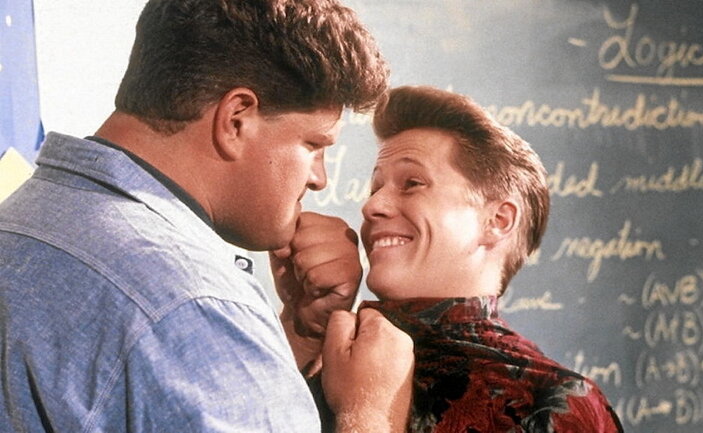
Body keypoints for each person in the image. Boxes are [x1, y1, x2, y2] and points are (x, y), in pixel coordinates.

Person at [0, 1, 413, 432]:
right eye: (314, 145)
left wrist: (297, 335)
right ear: (236, 120)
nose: (319, 179)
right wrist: (370, 411)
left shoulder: (20, 224)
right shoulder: (197, 307)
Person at [349, 85, 623, 432]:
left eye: (412, 183)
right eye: (375, 188)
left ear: (498, 221)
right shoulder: (327, 354)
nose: (372, 206)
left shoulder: (552, 402)